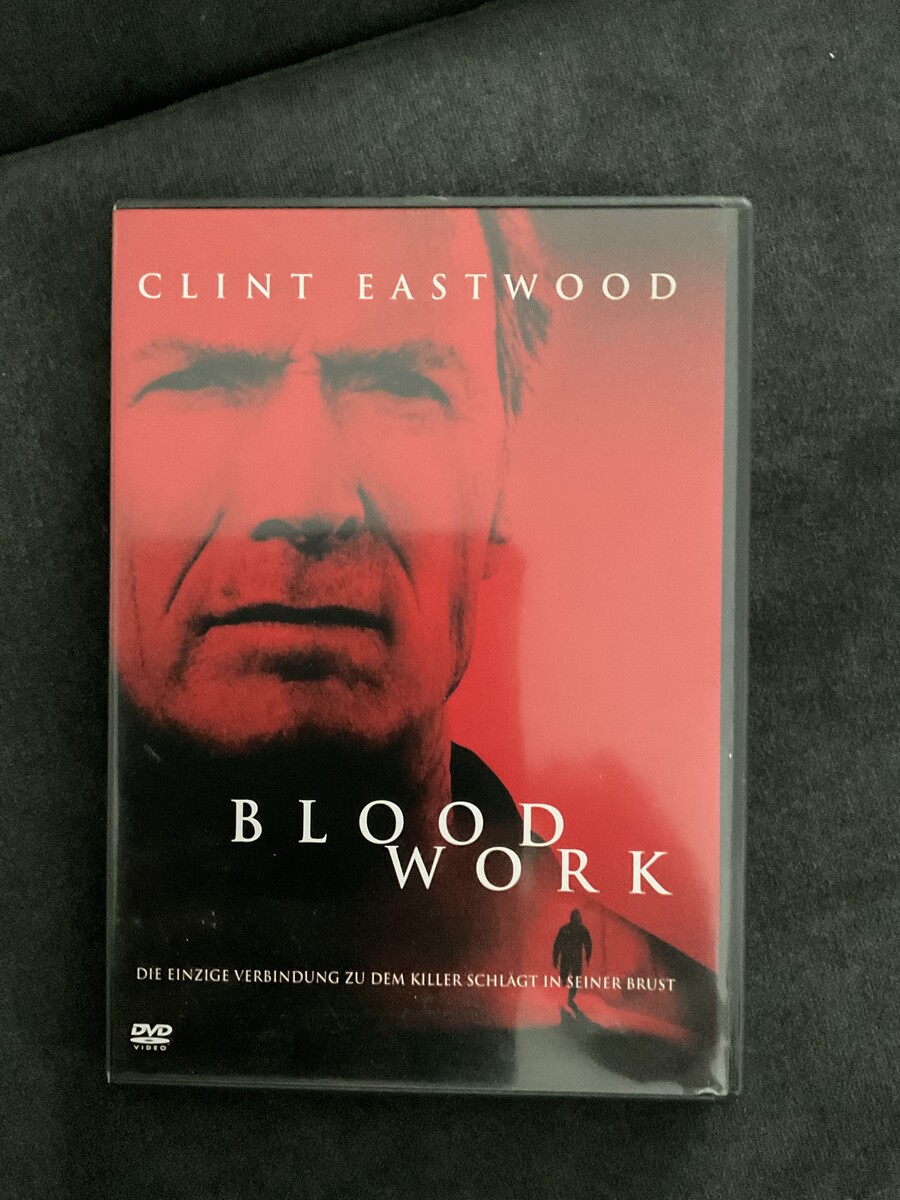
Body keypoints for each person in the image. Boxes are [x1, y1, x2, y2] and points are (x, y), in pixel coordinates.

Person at [110, 206, 716, 1087]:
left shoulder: (667, 1057)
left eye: (401, 390)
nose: (304, 497)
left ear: (499, 488)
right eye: (201, 382)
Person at [553, 910, 593, 1011]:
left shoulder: (569, 929)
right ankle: (569, 995)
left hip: (571, 956)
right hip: (571, 956)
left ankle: (570, 996)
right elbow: (557, 944)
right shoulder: (579, 929)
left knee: (573, 977)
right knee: (571, 976)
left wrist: (555, 959)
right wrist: (587, 956)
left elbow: (588, 944)